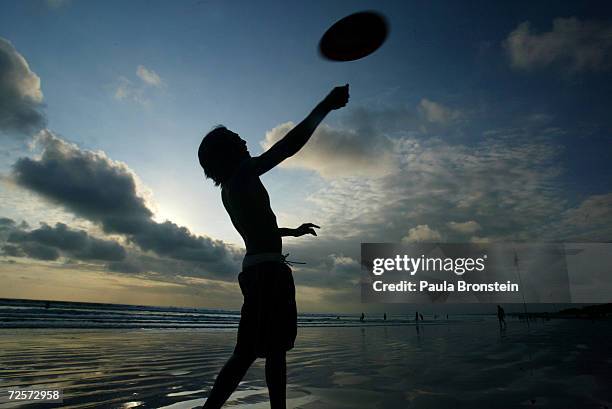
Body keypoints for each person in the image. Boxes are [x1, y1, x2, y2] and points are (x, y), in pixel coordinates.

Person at [198, 84, 350, 409]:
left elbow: (260, 229)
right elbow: (286, 147)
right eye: (237, 140)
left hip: (259, 268)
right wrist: (325, 106)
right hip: (268, 272)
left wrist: (291, 232)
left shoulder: (232, 187)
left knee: (259, 349)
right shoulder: (242, 174)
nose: (244, 141)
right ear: (227, 154)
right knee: (259, 351)